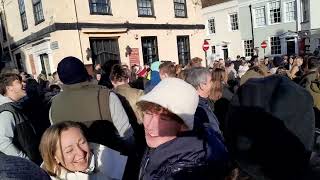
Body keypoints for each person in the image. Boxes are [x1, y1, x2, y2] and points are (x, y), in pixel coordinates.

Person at [137, 78, 230, 179]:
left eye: (164, 119)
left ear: (184, 125)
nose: (150, 126)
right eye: (148, 113)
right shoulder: (161, 141)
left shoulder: (189, 170)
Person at [50, 57, 135, 154]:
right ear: (85, 72)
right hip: (110, 162)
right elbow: (127, 135)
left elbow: (55, 138)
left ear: (61, 78)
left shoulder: (54, 103)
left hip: (73, 163)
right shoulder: (107, 96)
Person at [39, 121, 127, 180]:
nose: (81, 153)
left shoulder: (105, 156)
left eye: (82, 142)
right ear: (54, 158)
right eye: (69, 150)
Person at [0, 73, 42, 165]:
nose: (24, 84)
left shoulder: (16, 107)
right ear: (9, 88)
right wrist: (25, 161)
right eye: (19, 82)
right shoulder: (7, 111)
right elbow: (3, 142)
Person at [185, 67, 223, 137]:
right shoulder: (199, 108)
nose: (213, 83)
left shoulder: (200, 102)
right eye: (211, 81)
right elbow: (214, 134)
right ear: (202, 86)